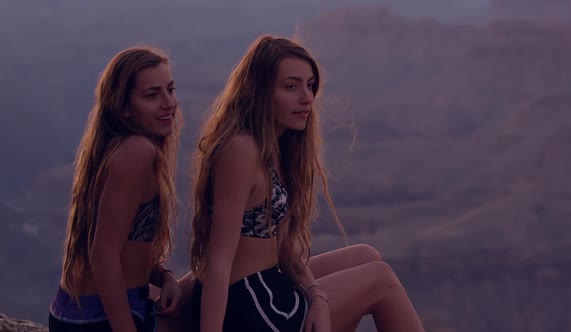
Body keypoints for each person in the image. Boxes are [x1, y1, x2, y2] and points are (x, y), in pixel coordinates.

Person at [186, 35, 425, 332]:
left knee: (365, 255)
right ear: (259, 92)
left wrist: (318, 297)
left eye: (310, 85)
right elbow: (219, 259)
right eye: (291, 86)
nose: (306, 97)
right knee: (381, 279)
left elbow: (283, 247)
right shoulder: (241, 149)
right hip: (251, 305)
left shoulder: (273, 147)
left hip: (270, 282)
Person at [48, 46, 184, 332]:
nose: (168, 103)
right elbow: (103, 256)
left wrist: (164, 276)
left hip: (82, 310)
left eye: (170, 90)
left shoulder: (118, 148)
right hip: (102, 317)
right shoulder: (137, 151)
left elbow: (125, 245)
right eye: (151, 95)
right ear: (123, 107)